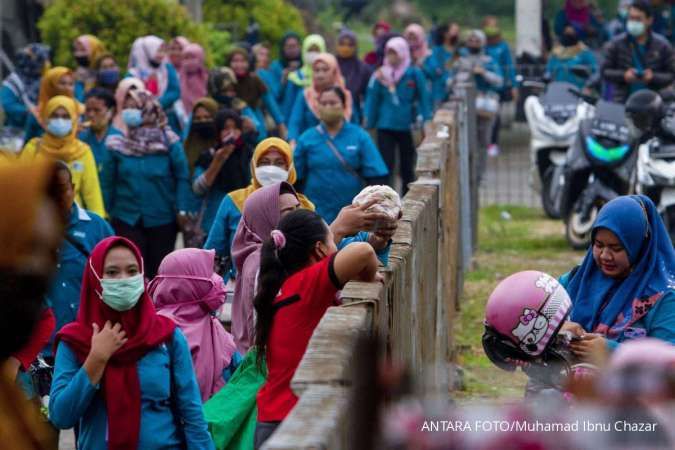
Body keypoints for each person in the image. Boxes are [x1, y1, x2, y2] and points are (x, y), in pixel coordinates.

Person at [49, 236, 215, 450]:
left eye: (131, 271)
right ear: (95, 278)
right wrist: (95, 360)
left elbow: (192, 413)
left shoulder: (166, 335)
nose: (123, 279)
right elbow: (61, 416)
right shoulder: (75, 340)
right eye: (111, 272)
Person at [253, 208, 381, 448]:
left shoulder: (285, 288)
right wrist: (370, 276)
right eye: (333, 241)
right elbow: (362, 251)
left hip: (275, 418)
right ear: (319, 249)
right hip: (294, 422)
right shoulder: (305, 286)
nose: (336, 246)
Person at [557, 196, 675, 364]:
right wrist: (556, 328)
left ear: (639, 246)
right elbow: (533, 308)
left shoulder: (663, 297)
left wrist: (613, 351)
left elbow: (670, 361)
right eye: (598, 245)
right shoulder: (579, 278)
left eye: (616, 248)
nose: (605, 256)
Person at [0, 159, 63, 449]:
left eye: (47, 251)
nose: (38, 267)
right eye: (27, 247)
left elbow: (46, 317)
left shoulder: (13, 406)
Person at [102, 89, 191, 278]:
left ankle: (154, 308)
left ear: (148, 109)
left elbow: (182, 176)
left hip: (162, 218)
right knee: (130, 272)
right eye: (126, 108)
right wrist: (105, 212)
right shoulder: (116, 142)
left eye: (134, 107)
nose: (129, 112)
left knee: (159, 273)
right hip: (126, 217)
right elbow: (107, 182)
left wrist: (182, 208)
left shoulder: (169, 142)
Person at [204, 137, 313, 281]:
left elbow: (312, 257)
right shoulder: (234, 201)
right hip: (239, 287)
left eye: (279, 163)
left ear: (290, 169)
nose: (271, 169)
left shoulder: (302, 206)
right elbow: (212, 253)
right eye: (264, 162)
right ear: (254, 166)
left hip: (289, 288)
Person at [149, 248, 240, 402]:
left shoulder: (213, 326)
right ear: (186, 284)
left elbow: (240, 369)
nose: (217, 279)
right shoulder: (159, 332)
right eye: (208, 275)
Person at [294, 86, 388, 223]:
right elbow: (296, 178)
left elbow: (377, 176)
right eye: (323, 103)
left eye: (333, 103)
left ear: (344, 106)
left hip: (352, 214)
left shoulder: (359, 136)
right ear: (317, 107)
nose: (328, 107)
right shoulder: (307, 138)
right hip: (314, 215)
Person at [45, 161, 113, 345]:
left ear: (73, 189)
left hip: (87, 343)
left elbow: (117, 282)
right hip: (38, 349)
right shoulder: (25, 231)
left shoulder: (97, 227)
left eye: (62, 189)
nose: (57, 197)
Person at [20, 95, 106, 218]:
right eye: (54, 115)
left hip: (73, 220)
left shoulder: (83, 151)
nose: (60, 120)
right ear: (46, 119)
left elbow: (92, 193)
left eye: (66, 116)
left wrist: (100, 225)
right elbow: (21, 187)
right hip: (38, 219)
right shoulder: (33, 148)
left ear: (74, 120)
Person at [365, 37, 432, 193]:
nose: (391, 57)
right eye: (389, 53)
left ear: (403, 53)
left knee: (407, 164)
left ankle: (408, 196)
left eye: (395, 53)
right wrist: (369, 123)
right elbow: (372, 100)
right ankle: (387, 196)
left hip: (407, 126)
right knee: (386, 164)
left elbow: (423, 97)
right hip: (385, 125)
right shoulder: (380, 75)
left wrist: (426, 118)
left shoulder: (414, 73)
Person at [192, 108, 253, 237]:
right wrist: (218, 161)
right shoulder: (209, 156)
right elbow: (198, 189)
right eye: (225, 128)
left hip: (245, 224)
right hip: (214, 225)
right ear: (218, 131)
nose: (231, 132)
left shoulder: (249, 154)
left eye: (235, 128)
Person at [601, 0, 675, 103]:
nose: (633, 22)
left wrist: (653, 77)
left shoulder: (663, 46)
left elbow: (671, 75)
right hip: (622, 102)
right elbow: (604, 72)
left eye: (638, 19)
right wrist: (624, 75)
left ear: (649, 20)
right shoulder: (616, 43)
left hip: (653, 104)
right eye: (631, 18)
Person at [452, 30, 503, 160]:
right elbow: (451, 81)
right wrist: (465, 74)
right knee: (465, 140)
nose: (474, 44)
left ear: (483, 43)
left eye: (477, 41)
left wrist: (484, 73)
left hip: (484, 106)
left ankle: (480, 176)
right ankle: (467, 176)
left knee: (483, 141)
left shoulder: (489, 61)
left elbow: (499, 81)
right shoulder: (460, 61)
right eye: (471, 40)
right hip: (464, 105)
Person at [288, 53, 356, 144]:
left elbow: (354, 123)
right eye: (317, 70)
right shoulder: (305, 95)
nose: (320, 74)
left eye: (325, 70)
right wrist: (292, 143)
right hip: (310, 146)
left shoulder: (345, 95)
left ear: (334, 72)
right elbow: (295, 121)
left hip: (343, 146)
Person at [127, 35, 182, 134]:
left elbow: (175, 91)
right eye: (158, 51)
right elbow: (128, 93)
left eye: (163, 51)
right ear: (148, 51)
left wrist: (157, 104)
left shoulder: (167, 69)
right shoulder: (134, 73)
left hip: (167, 117)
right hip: (141, 119)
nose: (161, 55)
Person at [228, 47, 286, 141]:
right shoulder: (226, 83)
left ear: (248, 63)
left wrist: (281, 126)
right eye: (235, 61)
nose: (239, 65)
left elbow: (271, 105)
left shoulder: (255, 80)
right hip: (233, 133)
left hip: (258, 130)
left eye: (243, 61)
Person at [483, 16, 518, 157]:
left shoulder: (503, 46)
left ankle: (493, 143)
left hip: (498, 87)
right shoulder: (481, 44)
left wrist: (513, 85)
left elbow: (509, 66)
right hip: (482, 87)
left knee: (495, 116)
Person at [0, 43, 50, 132]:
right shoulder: (14, 81)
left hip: (39, 129)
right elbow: (7, 104)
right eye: (41, 60)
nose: (45, 65)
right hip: (16, 131)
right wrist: (27, 110)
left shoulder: (42, 80)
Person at [24, 66, 79, 143]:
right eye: (62, 83)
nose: (67, 88)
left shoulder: (80, 110)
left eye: (71, 84)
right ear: (50, 86)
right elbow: (28, 143)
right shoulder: (37, 114)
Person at [207, 67, 264, 138]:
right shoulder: (207, 107)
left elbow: (260, 132)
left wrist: (250, 129)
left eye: (233, 90)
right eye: (225, 90)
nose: (231, 94)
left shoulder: (239, 105)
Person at [281, 34, 327, 120]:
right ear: (304, 51)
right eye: (310, 50)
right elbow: (288, 106)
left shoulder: (330, 77)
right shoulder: (295, 77)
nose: (313, 54)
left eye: (317, 50)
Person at [336, 29, 373, 124]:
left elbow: (368, 95)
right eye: (342, 44)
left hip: (355, 115)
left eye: (350, 45)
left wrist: (366, 114)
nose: (345, 48)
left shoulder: (363, 69)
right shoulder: (330, 65)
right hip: (331, 112)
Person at [79, 88, 122, 168]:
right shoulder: (80, 137)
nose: (91, 115)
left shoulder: (119, 140)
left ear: (111, 112)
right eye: (88, 110)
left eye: (97, 110)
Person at [183, 97, 220, 175]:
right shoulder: (185, 147)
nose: (203, 121)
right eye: (197, 118)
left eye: (207, 117)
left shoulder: (224, 146)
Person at [427, 22, 461, 107]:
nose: (457, 33)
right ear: (445, 34)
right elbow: (434, 70)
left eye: (458, 31)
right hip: (438, 91)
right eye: (454, 31)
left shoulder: (459, 52)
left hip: (456, 92)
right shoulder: (436, 51)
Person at [178, 43, 209, 125]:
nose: (189, 62)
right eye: (186, 58)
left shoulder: (208, 78)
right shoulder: (177, 78)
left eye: (193, 57)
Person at [268, 33, 303, 104]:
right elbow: (274, 96)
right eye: (289, 47)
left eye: (295, 46)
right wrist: (283, 81)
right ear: (283, 48)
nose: (292, 50)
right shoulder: (275, 67)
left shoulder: (306, 65)